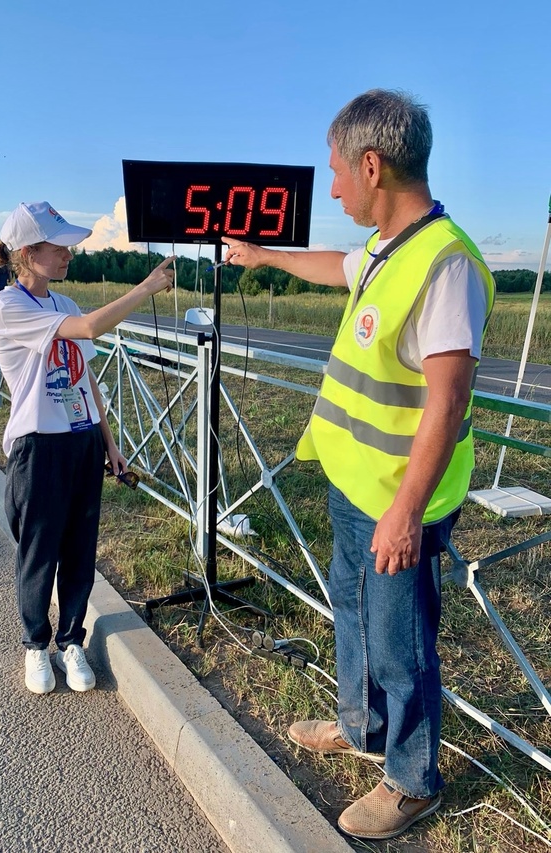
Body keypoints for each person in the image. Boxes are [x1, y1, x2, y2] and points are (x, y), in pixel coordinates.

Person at [222, 89, 495, 841]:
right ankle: (361, 723)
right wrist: (262, 255)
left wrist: (407, 509)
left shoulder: (446, 264)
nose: (334, 185)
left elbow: (445, 402)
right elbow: (330, 267)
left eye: (339, 171)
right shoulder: (384, 249)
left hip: (397, 502)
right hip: (352, 482)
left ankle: (412, 779)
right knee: (351, 607)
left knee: (401, 640)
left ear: (372, 165)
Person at [0, 201, 175, 696]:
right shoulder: (9, 308)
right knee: (39, 552)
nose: (70, 252)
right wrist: (145, 288)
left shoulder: (64, 304)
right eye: (59, 246)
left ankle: (71, 640)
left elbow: (84, 376)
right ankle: (35, 645)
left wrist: (109, 442)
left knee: (79, 550)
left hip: (82, 442)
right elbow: (91, 329)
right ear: (27, 253)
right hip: (39, 447)